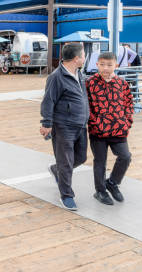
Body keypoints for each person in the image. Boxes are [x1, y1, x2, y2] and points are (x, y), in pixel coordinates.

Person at [40, 43, 89, 211]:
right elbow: (48, 100)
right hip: (64, 126)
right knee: (66, 162)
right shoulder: (56, 77)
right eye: (83, 55)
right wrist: (47, 123)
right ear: (76, 59)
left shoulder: (79, 74)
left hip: (81, 124)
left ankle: (56, 169)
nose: (84, 58)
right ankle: (67, 195)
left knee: (81, 157)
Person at [86, 52, 133, 206]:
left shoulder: (122, 84)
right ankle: (100, 191)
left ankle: (112, 182)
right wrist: (95, 122)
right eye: (102, 64)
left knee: (125, 156)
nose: (105, 68)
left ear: (116, 66)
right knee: (100, 161)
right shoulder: (90, 83)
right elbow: (86, 107)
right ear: (97, 65)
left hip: (118, 129)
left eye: (109, 65)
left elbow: (128, 105)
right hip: (98, 131)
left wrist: (126, 123)